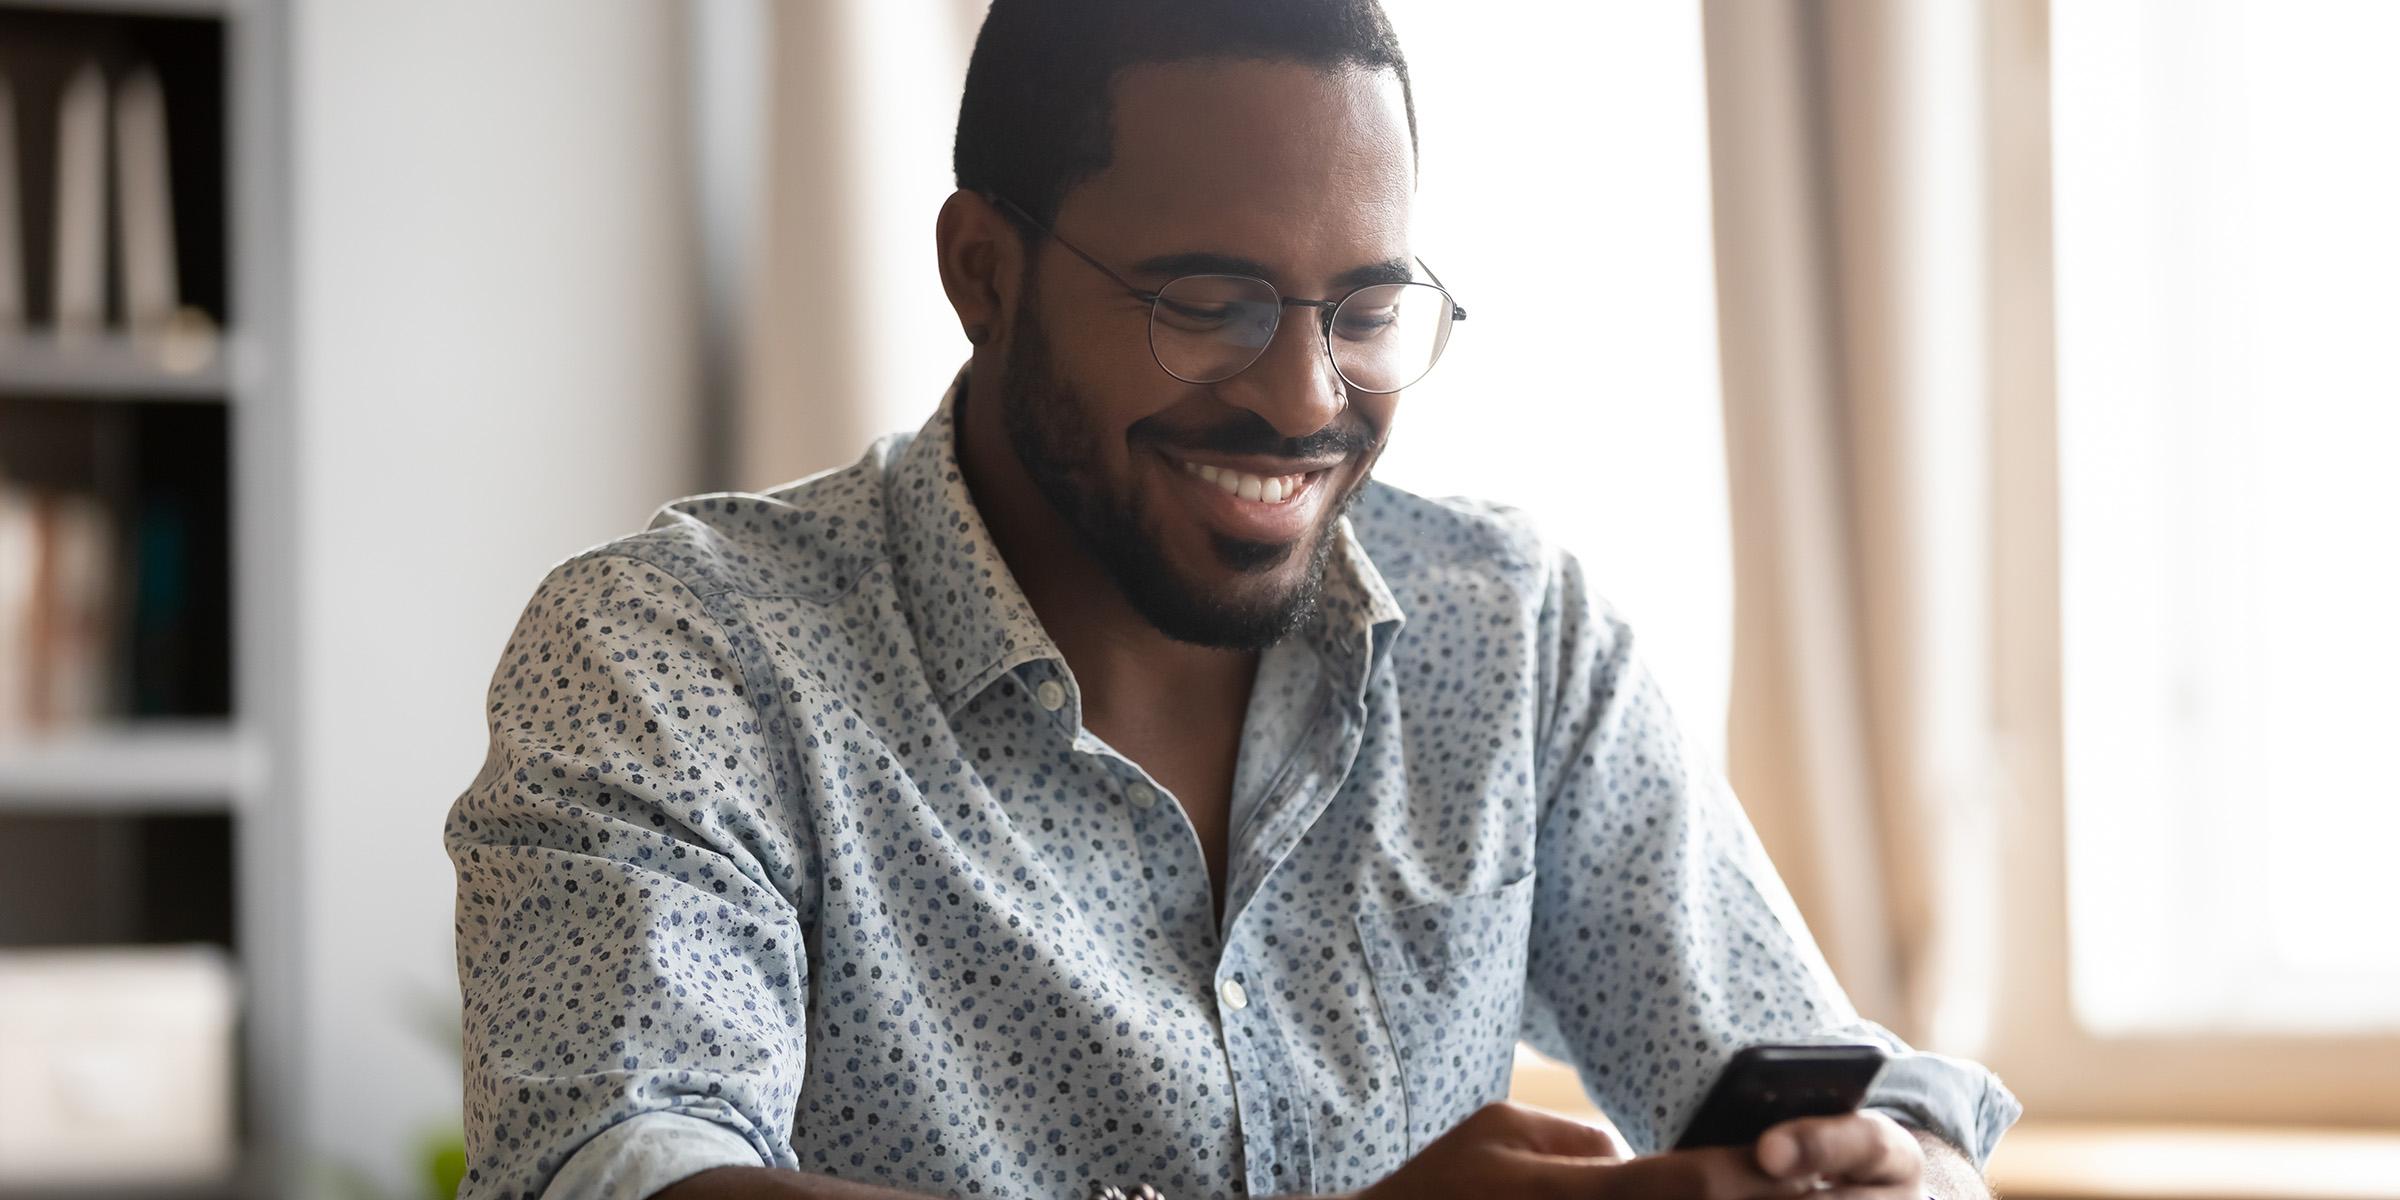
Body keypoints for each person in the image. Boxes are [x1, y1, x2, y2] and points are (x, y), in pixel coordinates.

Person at [444, 2, 2021, 1198]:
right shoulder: (678, 656)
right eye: (1209, 304)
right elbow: (622, 1169)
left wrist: (1884, 1161)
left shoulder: (1510, 637)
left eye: (1368, 307)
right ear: (981, 272)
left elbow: (1826, 1080)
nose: (1301, 396)